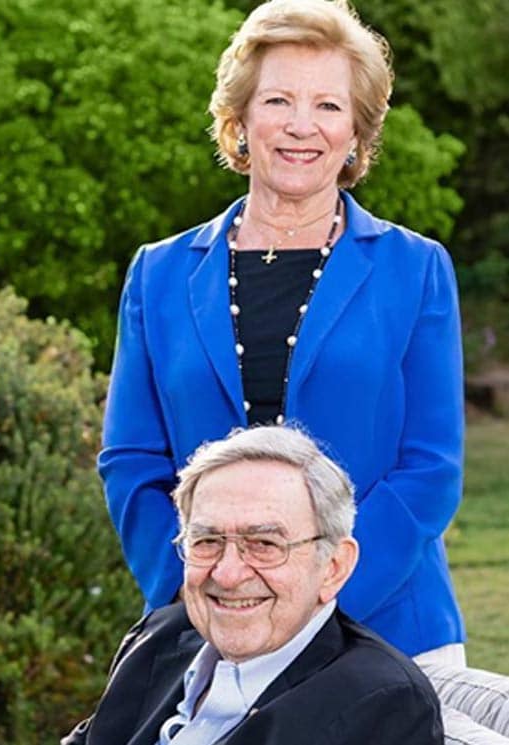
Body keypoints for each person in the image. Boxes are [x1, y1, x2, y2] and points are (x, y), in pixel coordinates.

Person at [100, 0, 461, 667]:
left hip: (387, 631)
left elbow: (430, 468)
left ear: (356, 132)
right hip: (212, 631)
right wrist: (201, 592)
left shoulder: (414, 268)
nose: (302, 126)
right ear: (238, 121)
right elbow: (132, 460)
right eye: (277, 101)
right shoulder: (157, 274)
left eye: (327, 105)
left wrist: (317, 606)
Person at [64, 426, 444, 744]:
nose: (228, 574)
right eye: (206, 541)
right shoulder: (162, 636)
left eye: (264, 545)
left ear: (333, 566)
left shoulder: (383, 702)